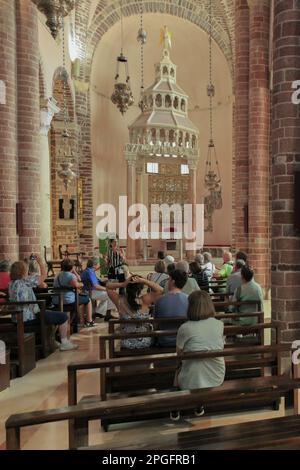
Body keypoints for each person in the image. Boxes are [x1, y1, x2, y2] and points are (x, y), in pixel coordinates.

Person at [174, 291, 225, 418]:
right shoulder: (219, 324)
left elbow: (179, 353)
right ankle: (198, 405)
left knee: (177, 367)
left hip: (191, 378)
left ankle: (176, 406)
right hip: (216, 374)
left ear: (190, 307)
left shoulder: (185, 328)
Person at [9, 257, 77, 351]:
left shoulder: (11, 283)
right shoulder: (24, 281)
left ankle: (51, 340)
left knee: (50, 314)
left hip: (17, 318)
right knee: (63, 317)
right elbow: (43, 277)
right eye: (26, 270)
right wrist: (40, 262)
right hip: (29, 317)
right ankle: (64, 343)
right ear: (22, 272)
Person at [106, 276, 164, 350]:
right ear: (140, 289)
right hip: (146, 342)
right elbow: (161, 290)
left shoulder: (119, 300)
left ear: (127, 288)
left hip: (126, 343)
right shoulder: (144, 300)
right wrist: (144, 281)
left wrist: (122, 284)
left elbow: (108, 287)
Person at [53, 259, 94, 327]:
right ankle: (89, 321)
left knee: (81, 299)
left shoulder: (57, 275)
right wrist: (82, 284)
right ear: (72, 267)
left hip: (56, 300)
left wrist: (73, 270)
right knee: (88, 299)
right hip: (67, 300)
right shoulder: (71, 276)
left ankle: (81, 320)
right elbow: (77, 284)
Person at [154, 269, 189, 347]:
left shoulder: (160, 300)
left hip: (164, 340)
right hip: (184, 341)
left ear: (173, 281)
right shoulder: (189, 299)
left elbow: (155, 323)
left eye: (169, 279)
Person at [81, 257, 116, 321]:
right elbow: (96, 286)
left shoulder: (87, 270)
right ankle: (108, 315)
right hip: (90, 292)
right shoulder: (90, 272)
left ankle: (99, 312)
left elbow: (96, 269)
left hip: (86, 291)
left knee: (107, 295)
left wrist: (103, 264)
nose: (97, 265)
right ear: (94, 265)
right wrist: (107, 289)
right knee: (111, 294)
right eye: (97, 264)